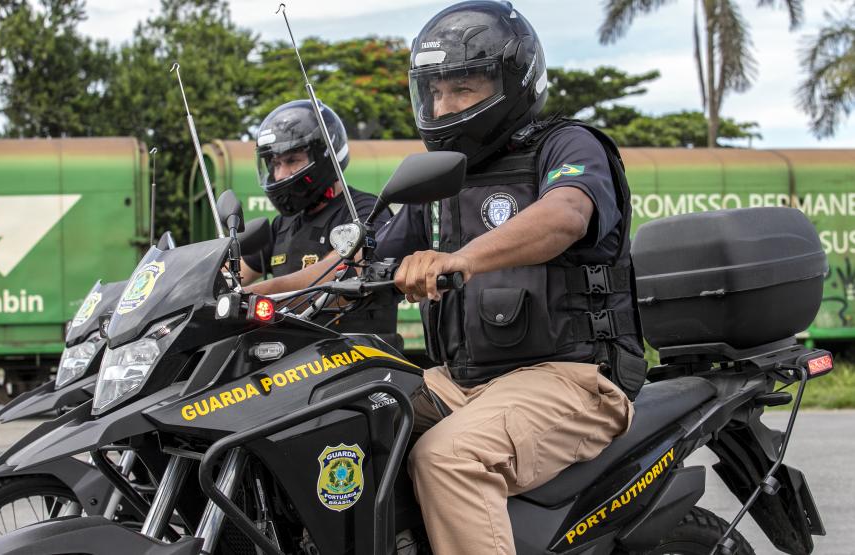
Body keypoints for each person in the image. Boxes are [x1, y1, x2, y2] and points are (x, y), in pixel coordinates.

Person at [247, 2, 647, 553]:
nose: (443, 104)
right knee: (327, 417)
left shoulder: (567, 146)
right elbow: (349, 264)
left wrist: (460, 259)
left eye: (462, 88)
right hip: (460, 382)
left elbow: (566, 216)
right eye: (434, 91)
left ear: (513, 81)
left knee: (449, 458)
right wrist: (246, 295)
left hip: (573, 379)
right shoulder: (440, 181)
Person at [241, 99, 397, 335]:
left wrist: (255, 296)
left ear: (325, 155)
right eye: (275, 164)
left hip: (354, 355)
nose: (281, 174)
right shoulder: (282, 226)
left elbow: (339, 271)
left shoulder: (364, 212)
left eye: (292, 160)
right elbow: (232, 274)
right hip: (291, 358)